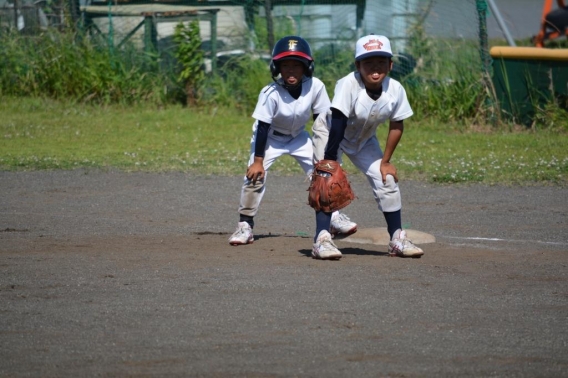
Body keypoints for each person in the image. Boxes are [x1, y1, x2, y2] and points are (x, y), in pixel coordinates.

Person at [229, 36, 357, 246]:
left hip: (299, 138)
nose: (290, 70)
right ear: (276, 68)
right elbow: (262, 128)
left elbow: (321, 122)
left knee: (323, 173)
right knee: (254, 176)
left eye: (297, 65)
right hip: (270, 139)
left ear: (307, 67)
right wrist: (258, 161)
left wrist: (325, 156)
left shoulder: (315, 86)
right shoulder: (270, 92)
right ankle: (245, 225)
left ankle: (333, 219)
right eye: (285, 65)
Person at [311, 34, 424, 259]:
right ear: (357, 65)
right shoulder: (348, 84)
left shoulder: (396, 89)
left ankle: (396, 238)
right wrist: (330, 161)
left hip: (364, 140)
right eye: (368, 61)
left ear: (390, 65)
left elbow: (397, 124)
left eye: (381, 61)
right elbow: (339, 120)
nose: (375, 67)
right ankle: (322, 239)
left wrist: (386, 162)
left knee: (387, 179)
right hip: (331, 133)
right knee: (325, 181)